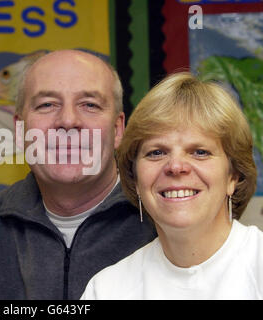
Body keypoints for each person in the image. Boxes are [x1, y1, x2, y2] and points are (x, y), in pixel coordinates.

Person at [0, 49, 157, 299]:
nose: (68, 121)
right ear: (19, 130)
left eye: (89, 105)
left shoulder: (160, 216)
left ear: (117, 129)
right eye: (47, 105)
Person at [81, 72, 263, 300]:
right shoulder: (106, 289)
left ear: (232, 177)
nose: (176, 166)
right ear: (135, 179)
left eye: (200, 152)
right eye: (156, 152)